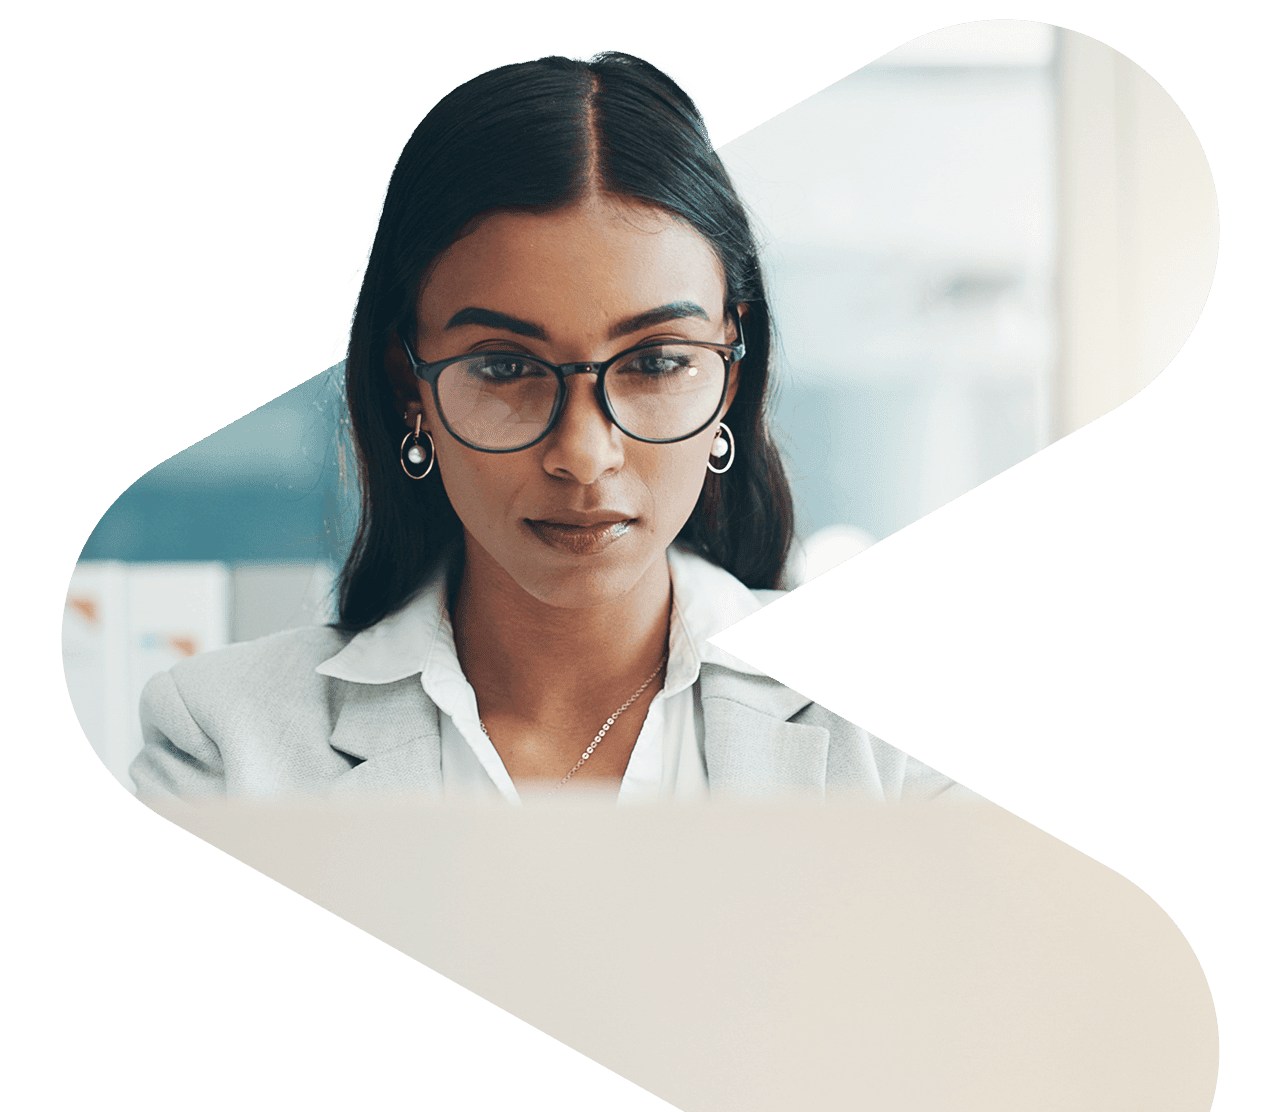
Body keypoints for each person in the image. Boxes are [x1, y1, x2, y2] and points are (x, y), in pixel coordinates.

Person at [131, 50, 961, 804]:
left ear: (729, 377)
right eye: (505, 368)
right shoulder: (227, 746)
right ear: (410, 386)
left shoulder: (895, 740)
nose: (584, 455)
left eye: (656, 362)